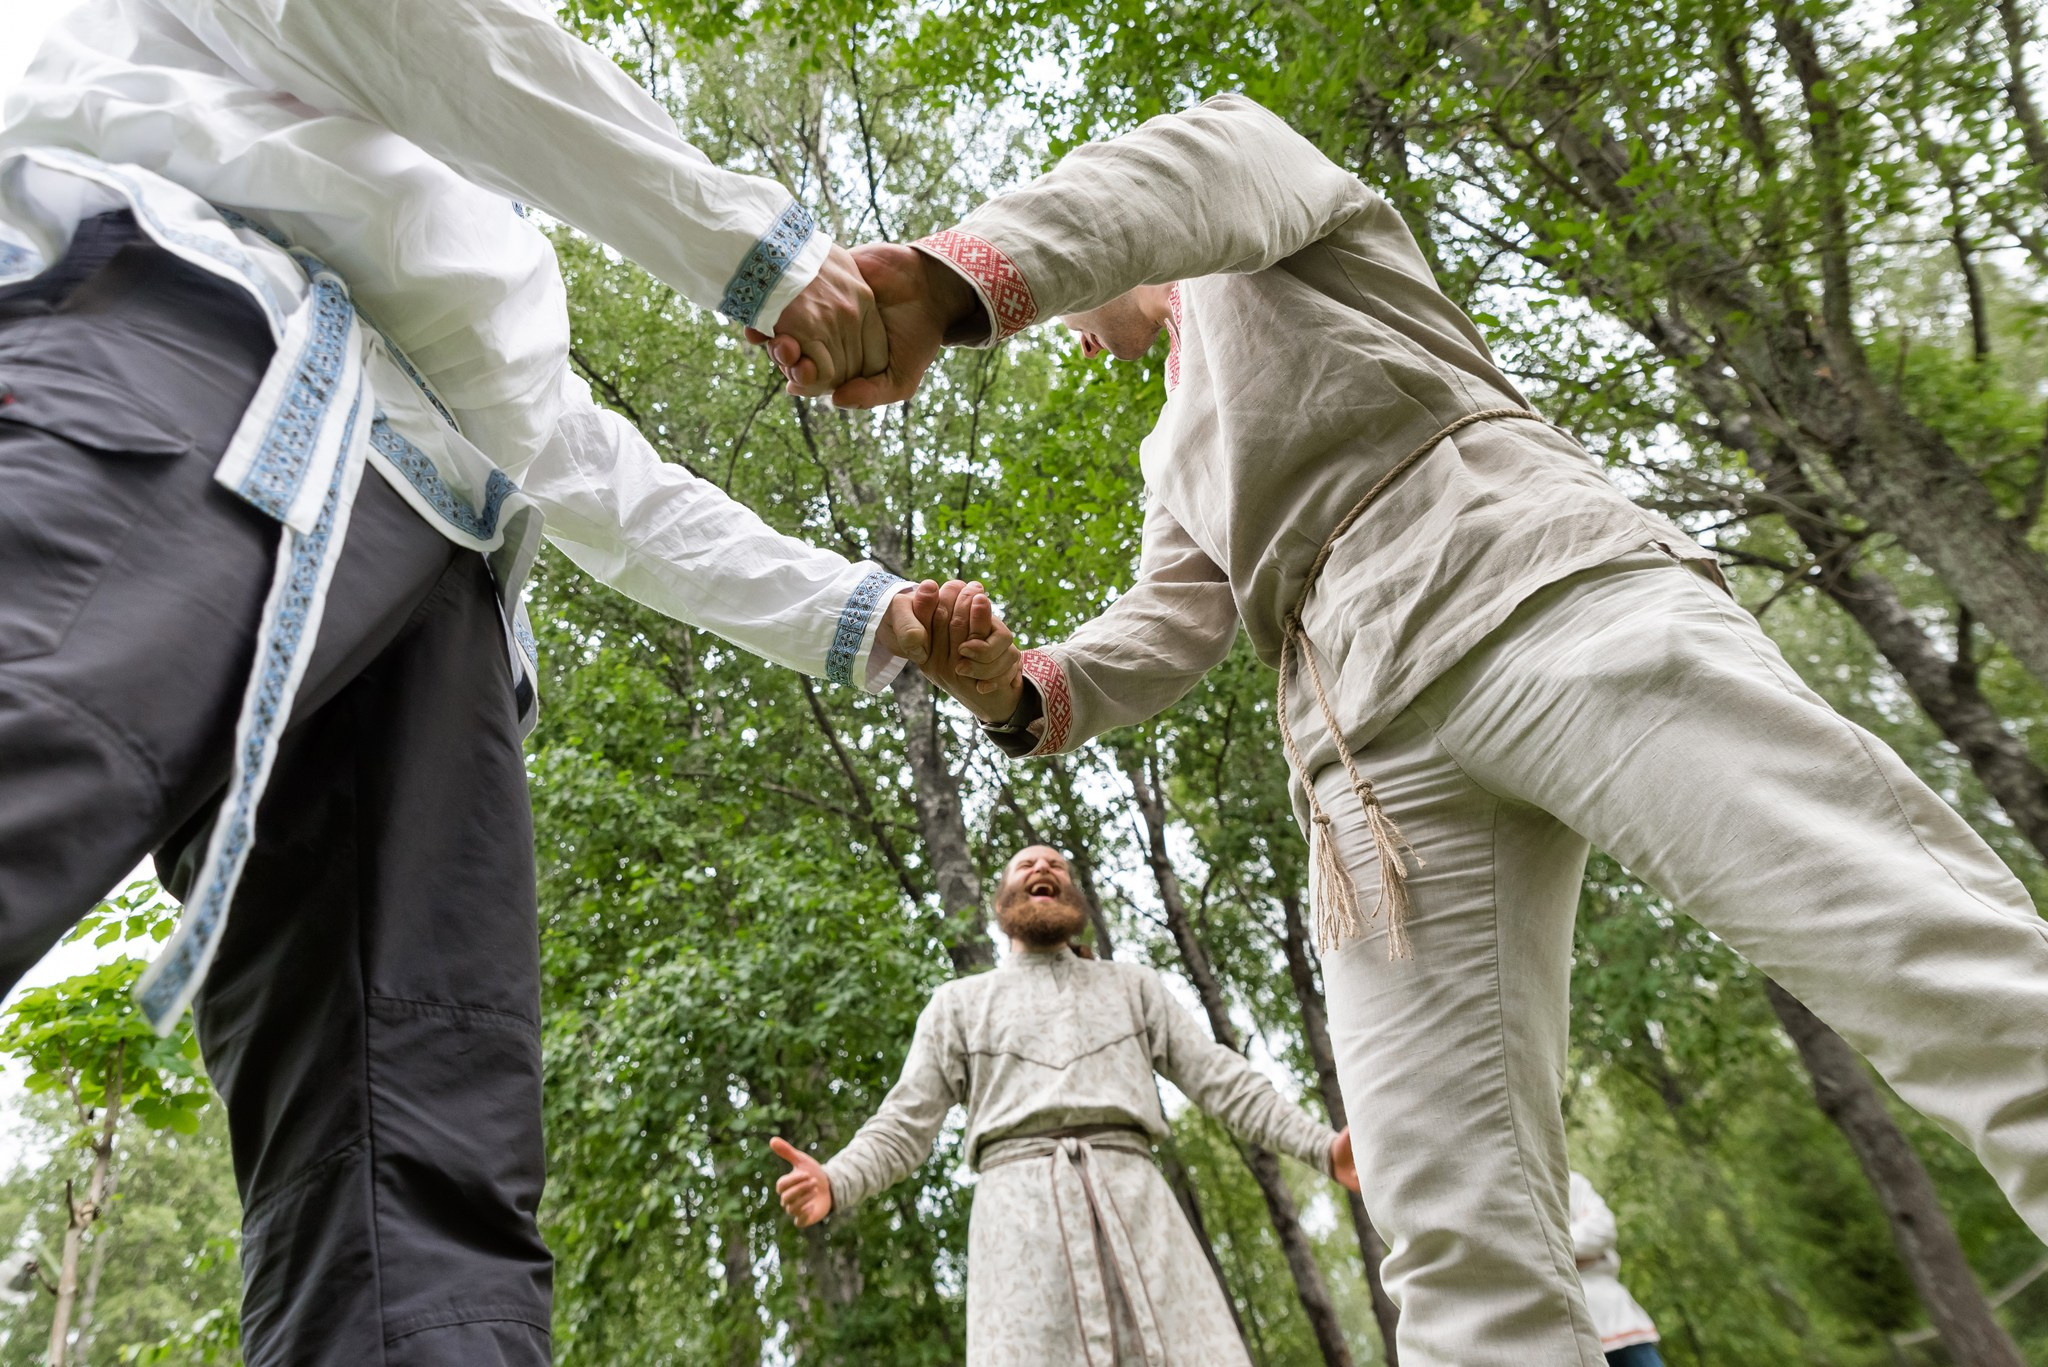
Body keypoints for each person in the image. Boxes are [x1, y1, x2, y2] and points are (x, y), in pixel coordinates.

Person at [842, 93, 2048, 1365]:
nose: (1072, 338)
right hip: (1367, 776)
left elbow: (1180, 173)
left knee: (1917, 953)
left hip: (1527, 591)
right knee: (1453, 1236)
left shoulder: (1257, 205)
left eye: (1066, 299)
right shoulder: (1172, 451)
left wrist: (944, 285)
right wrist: (1008, 685)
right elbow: (1173, 620)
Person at [0, 3, 1021, 1362]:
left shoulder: (474, 252)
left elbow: (585, 469)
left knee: (416, 1179)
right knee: (35, 746)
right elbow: (414, 29)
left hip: (428, 561)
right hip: (195, 322)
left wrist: (865, 611)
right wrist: (760, 253)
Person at [770, 844, 1359, 1366]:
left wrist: (1321, 1146)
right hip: (1016, 1221)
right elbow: (904, 1125)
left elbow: (1221, 1079)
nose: (1041, 867)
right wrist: (837, 1178)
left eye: (1055, 863)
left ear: (1072, 895)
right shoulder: (958, 1005)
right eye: (1025, 864)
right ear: (1004, 900)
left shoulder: (1133, 987)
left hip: (1140, 1206)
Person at [1570, 1172, 1663, 1367]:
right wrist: (1581, 1254)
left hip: (1614, 1315)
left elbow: (1602, 1228)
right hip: (1561, 1331)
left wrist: (1552, 1251)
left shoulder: (1572, 1182)